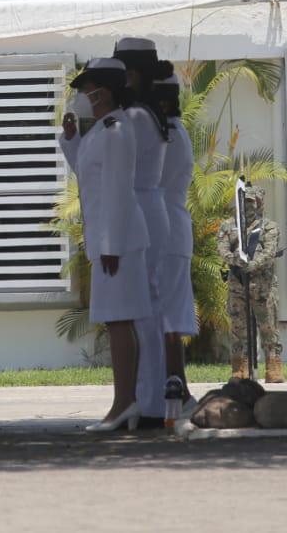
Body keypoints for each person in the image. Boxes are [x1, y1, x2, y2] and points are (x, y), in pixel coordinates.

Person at [61, 57, 149, 432]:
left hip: (119, 240)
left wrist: (109, 244)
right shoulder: (101, 129)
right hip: (109, 237)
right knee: (117, 321)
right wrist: (71, 139)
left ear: (103, 91)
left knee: (119, 321)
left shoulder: (115, 129)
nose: (80, 96)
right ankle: (126, 402)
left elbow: (115, 189)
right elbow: (87, 173)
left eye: (85, 89)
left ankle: (124, 403)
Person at [109, 38, 175, 429]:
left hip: (140, 207)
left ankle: (149, 401)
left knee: (143, 311)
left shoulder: (132, 117)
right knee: (150, 308)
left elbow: (119, 170)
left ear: (130, 75)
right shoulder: (145, 112)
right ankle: (150, 399)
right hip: (151, 207)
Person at [151, 74, 199, 419]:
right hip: (174, 228)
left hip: (162, 230)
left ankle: (172, 383)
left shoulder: (163, 133)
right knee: (170, 314)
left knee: (164, 314)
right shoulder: (175, 131)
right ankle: (175, 382)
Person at [217, 186, 283, 383]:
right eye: (243, 202)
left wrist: (253, 264)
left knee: (268, 328)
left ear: (259, 203)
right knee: (238, 330)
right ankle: (240, 368)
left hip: (263, 287)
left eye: (250, 202)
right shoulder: (228, 226)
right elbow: (222, 248)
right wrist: (235, 260)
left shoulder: (269, 227)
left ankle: (274, 367)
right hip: (238, 286)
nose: (246, 206)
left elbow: (269, 252)